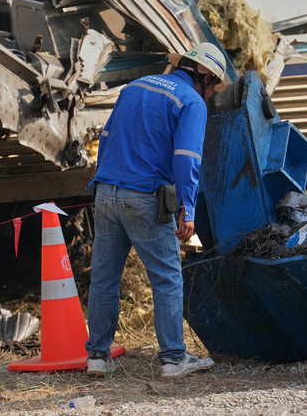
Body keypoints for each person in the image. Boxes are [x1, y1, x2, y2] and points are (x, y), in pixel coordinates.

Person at [84, 43, 229, 379]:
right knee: (166, 279)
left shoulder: (135, 87)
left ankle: (97, 357)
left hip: (106, 192)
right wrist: (187, 209)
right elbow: (187, 159)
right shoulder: (190, 101)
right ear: (204, 75)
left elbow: (105, 139)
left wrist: (104, 183)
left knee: (104, 279)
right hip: (144, 197)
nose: (209, 95)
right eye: (212, 87)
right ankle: (173, 359)